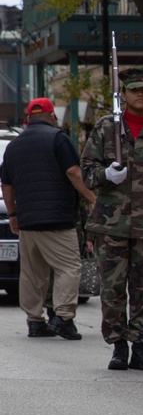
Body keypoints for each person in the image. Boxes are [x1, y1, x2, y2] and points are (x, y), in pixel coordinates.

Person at [81, 68, 143, 372]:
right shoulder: (107, 129)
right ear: (123, 95)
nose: (141, 95)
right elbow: (86, 169)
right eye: (135, 90)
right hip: (111, 225)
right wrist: (105, 175)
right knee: (112, 289)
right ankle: (118, 346)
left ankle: (140, 347)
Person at [0, 98, 96, 339]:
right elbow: (73, 172)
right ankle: (63, 317)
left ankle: (34, 321)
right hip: (58, 218)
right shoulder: (58, 138)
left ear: (28, 120)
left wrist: (13, 214)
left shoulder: (14, 145)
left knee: (33, 273)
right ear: (52, 116)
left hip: (28, 220)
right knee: (68, 268)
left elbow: (7, 185)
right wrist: (91, 196)